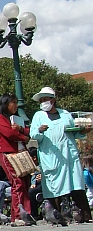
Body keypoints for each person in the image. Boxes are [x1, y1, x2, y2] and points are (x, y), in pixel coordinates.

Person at [29, 87, 92, 223]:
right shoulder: (38, 116)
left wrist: (84, 131)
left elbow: (74, 132)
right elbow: (33, 135)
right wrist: (39, 130)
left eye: (46, 99)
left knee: (76, 184)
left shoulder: (65, 114)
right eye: (41, 100)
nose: (43, 102)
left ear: (53, 100)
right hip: (51, 156)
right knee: (55, 187)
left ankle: (85, 215)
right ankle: (59, 216)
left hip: (69, 155)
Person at [0, 93, 32, 225]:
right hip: (8, 153)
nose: (16, 105)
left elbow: (26, 130)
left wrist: (22, 132)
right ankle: (19, 215)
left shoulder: (12, 118)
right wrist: (23, 137)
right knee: (17, 182)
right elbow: (9, 133)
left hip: (18, 152)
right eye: (13, 103)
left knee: (24, 182)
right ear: (5, 104)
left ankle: (25, 213)